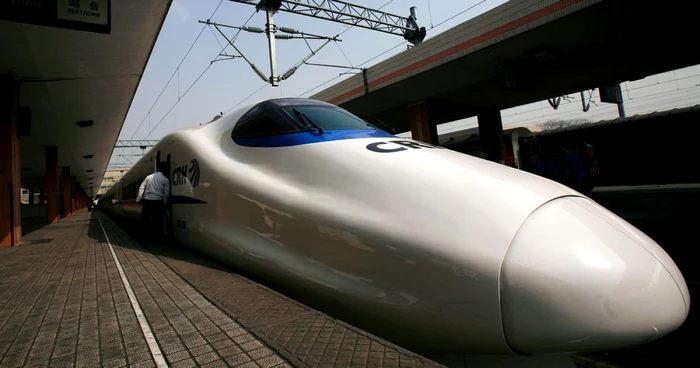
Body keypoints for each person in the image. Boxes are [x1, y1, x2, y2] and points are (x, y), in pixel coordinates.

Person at [136, 162, 170, 239]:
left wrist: (139, 199)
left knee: (145, 220)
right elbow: (166, 193)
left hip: (147, 201)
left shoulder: (148, 177)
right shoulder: (165, 180)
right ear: (164, 169)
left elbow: (141, 188)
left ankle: (143, 237)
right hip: (158, 202)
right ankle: (154, 237)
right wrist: (164, 202)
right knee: (157, 221)